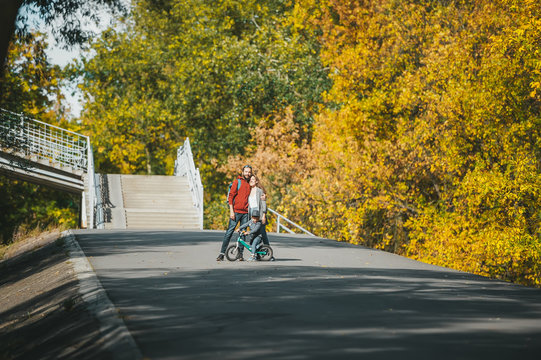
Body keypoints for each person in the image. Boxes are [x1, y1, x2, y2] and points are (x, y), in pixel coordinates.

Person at [217, 165, 253, 261]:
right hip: (236, 212)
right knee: (229, 232)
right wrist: (231, 211)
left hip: (246, 213)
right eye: (246, 171)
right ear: (242, 172)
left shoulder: (251, 183)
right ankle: (221, 253)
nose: (248, 174)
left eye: (249, 172)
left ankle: (240, 254)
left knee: (242, 234)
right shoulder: (237, 182)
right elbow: (230, 197)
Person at [248, 174, 274, 260]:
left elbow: (263, 204)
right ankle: (256, 254)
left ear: (256, 181)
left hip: (259, 214)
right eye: (250, 179)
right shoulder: (248, 190)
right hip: (252, 214)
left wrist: (263, 215)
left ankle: (270, 255)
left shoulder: (259, 191)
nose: (251, 180)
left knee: (262, 234)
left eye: (253, 179)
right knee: (254, 235)